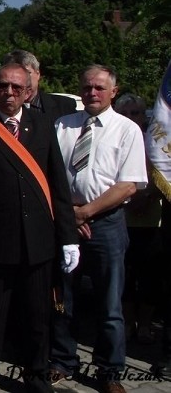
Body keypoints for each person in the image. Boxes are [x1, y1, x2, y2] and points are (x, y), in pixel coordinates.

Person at [0, 63, 79, 393]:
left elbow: (58, 185)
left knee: (38, 318)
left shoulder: (42, 125)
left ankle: (37, 376)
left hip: (39, 243)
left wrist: (68, 238)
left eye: (16, 87)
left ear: (28, 91)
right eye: (2, 86)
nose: (9, 93)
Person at [49, 66, 148, 393]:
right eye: (87, 87)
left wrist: (86, 213)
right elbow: (50, 176)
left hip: (106, 224)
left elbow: (129, 184)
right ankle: (63, 360)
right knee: (63, 298)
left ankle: (109, 372)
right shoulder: (63, 125)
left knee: (109, 304)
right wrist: (70, 216)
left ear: (113, 92)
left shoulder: (127, 129)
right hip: (65, 222)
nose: (92, 93)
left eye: (99, 88)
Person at [115, 93, 163, 344]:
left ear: (144, 116)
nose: (130, 118)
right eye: (125, 113)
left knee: (149, 276)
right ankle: (127, 321)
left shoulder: (156, 142)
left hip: (152, 220)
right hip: (123, 217)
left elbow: (164, 175)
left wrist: (147, 198)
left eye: (135, 113)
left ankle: (144, 324)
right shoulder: (117, 136)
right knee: (125, 276)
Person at [1, 50, 77, 119]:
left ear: (38, 74)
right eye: (15, 76)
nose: (22, 80)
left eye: (27, 73)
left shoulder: (64, 106)